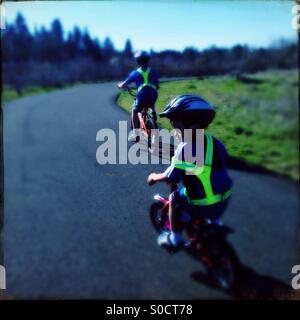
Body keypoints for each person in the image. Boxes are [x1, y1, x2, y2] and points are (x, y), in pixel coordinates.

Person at [147, 95, 233, 249]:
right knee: (203, 190)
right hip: (224, 197)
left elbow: (171, 176)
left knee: (174, 197)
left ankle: (174, 239)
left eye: (175, 121)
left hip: (204, 202)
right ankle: (215, 222)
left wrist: (154, 177)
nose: (173, 125)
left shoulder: (185, 147)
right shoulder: (215, 142)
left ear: (190, 123)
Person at [117, 50, 159, 142]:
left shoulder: (135, 73)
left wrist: (119, 85)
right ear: (148, 60)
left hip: (141, 95)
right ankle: (153, 113)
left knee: (135, 110)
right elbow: (157, 86)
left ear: (137, 61)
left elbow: (124, 84)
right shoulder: (153, 71)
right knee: (151, 100)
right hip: (153, 95)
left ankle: (135, 134)